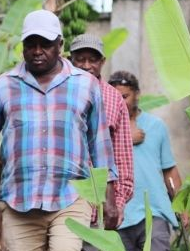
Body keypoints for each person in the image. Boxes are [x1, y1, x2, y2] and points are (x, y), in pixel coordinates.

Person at [0, 10, 118, 251]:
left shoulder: (85, 84)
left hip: (70, 198)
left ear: (60, 45)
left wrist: (109, 198)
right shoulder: (4, 86)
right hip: (19, 201)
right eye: (31, 44)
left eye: (46, 44)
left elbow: (100, 144)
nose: (38, 50)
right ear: (23, 46)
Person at [108, 71, 189, 251]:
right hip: (118, 215)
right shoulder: (104, 128)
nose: (120, 102)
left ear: (137, 94)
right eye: (115, 97)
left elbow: (169, 172)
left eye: (125, 96)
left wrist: (181, 205)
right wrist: (127, 138)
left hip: (154, 211)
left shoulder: (156, 126)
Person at [69, 34, 134, 229]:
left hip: (99, 208)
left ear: (102, 61)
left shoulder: (114, 98)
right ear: (70, 59)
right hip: (63, 204)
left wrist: (118, 202)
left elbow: (122, 156)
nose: (86, 65)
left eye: (93, 59)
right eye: (80, 59)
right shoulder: (58, 92)